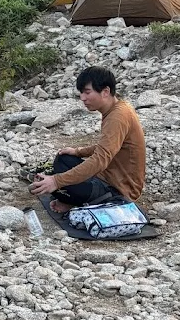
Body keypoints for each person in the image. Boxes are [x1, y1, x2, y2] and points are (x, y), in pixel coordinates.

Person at [29, 67, 145, 214]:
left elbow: (100, 160)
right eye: (81, 93)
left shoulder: (118, 116)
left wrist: (56, 181)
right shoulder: (117, 109)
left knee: (54, 186)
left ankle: (82, 203)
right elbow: (109, 146)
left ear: (105, 91)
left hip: (119, 190)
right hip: (106, 178)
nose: (82, 98)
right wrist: (78, 152)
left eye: (87, 92)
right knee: (63, 158)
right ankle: (75, 199)